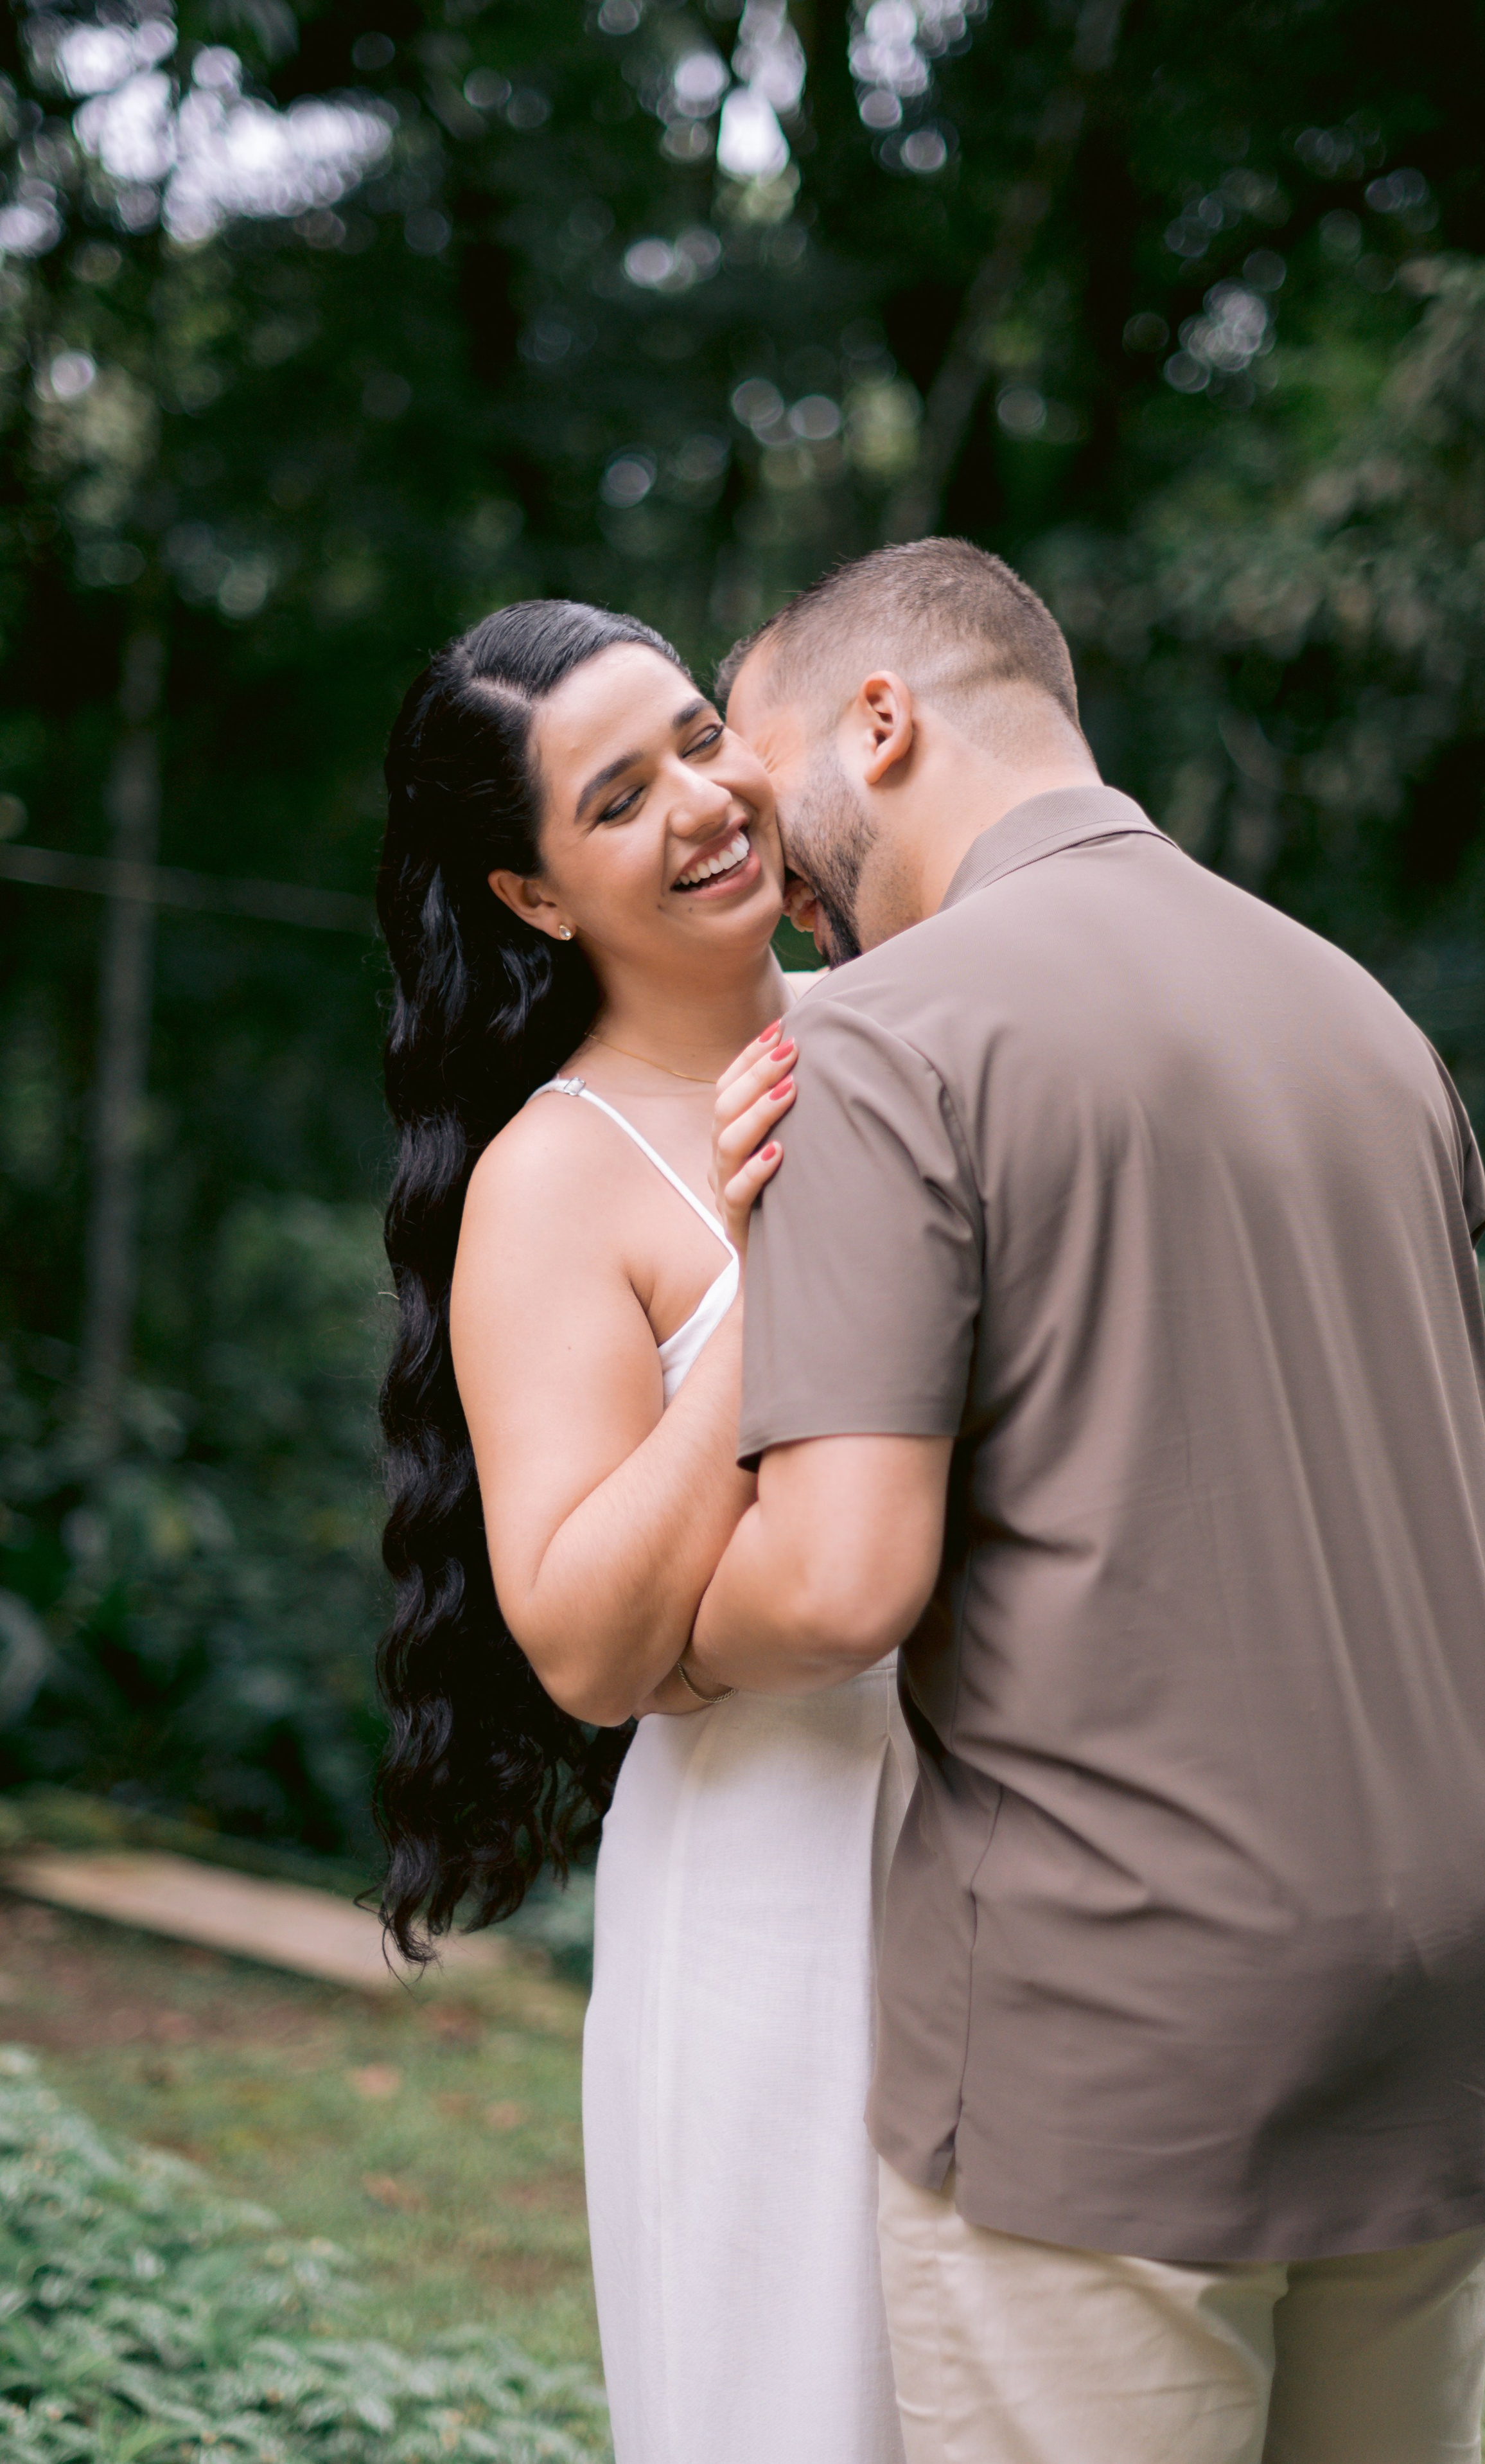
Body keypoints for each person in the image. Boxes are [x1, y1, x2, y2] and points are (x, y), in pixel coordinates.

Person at [682, 537, 1485, 2463]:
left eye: (764, 787)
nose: (766, 861)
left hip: (1126, 2006)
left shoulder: (878, 1035)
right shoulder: (1366, 1022)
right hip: (1460, 1977)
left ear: (885, 722)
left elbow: (837, 1587)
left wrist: (650, 1644)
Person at [372, 600, 911, 2464]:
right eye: (621, 796)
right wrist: (766, 1291)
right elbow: (591, 1646)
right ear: (536, 896)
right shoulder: (555, 1178)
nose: (706, 801)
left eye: (700, 736)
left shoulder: (907, 1029)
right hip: (778, 1897)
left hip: (1033, 1845)